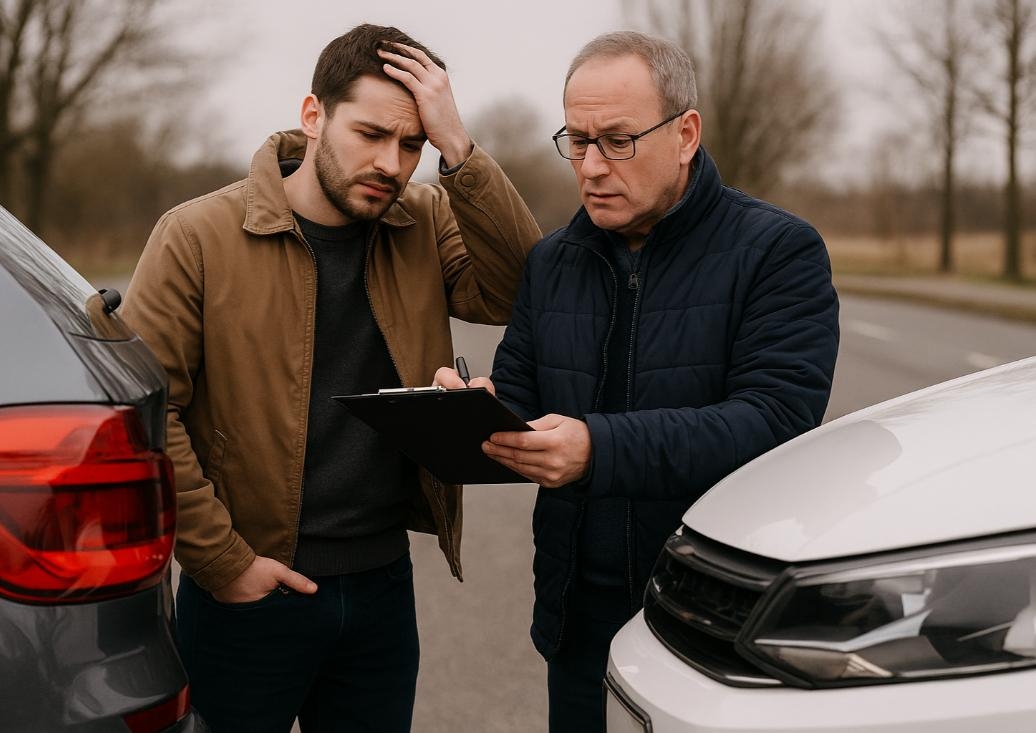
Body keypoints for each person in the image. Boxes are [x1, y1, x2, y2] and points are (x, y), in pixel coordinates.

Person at [122, 23, 540, 733]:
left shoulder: (424, 217)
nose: (391, 162)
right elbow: (146, 410)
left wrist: (461, 153)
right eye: (371, 133)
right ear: (313, 116)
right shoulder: (197, 236)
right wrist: (224, 562)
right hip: (245, 593)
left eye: (412, 144)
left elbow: (521, 288)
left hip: (382, 586)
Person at [433, 31, 839, 732]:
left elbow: (775, 422)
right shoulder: (552, 262)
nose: (590, 166)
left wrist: (596, 447)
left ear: (685, 135)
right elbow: (525, 401)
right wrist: (481, 415)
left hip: (716, 624)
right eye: (577, 140)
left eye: (617, 140)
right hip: (577, 622)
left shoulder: (778, 251)